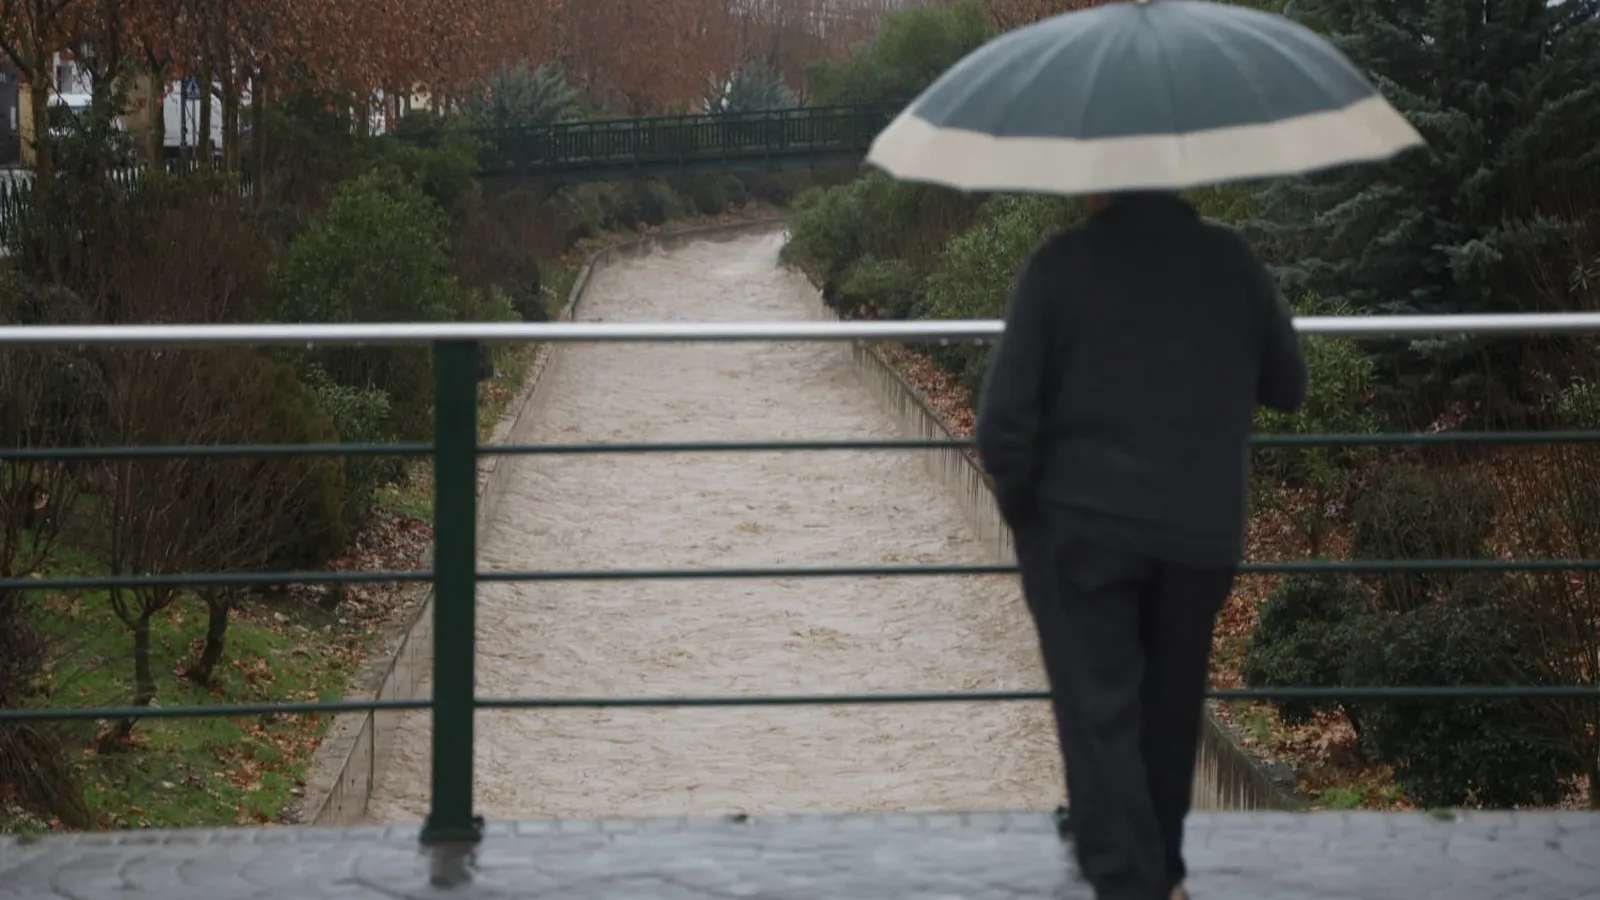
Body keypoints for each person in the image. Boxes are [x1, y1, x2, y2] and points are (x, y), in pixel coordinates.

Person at [974, 190, 1307, 900]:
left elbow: (1001, 425)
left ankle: (1132, 884)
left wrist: (1030, 523)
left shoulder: (1059, 267)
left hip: (1081, 536)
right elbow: (1289, 382)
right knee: (1170, 711)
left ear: (1097, 181)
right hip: (1199, 533)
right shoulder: (1231, 259)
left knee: (1101, 716)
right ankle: (1165, 878)